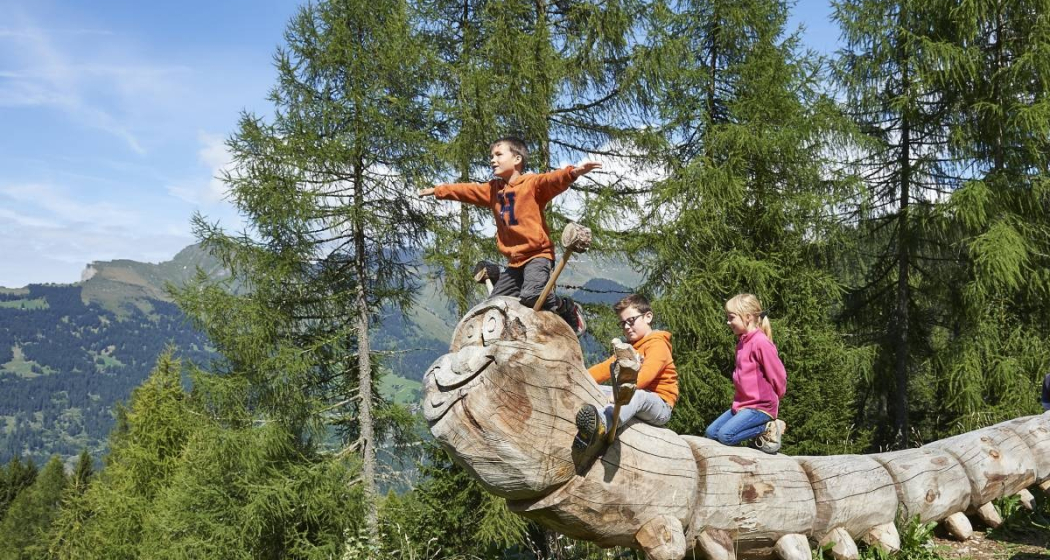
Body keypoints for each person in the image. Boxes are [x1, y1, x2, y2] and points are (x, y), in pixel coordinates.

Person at [418, 136, 600, 334]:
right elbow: (466, 190)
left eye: (498, 155)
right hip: (514, 263)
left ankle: (567, 307)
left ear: (517, 159)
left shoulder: (532, 184)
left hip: (537, 255)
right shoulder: (493, 190)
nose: (492, 160)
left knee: (532, 295)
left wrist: (573, 172)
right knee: (492, 308)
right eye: (491, 156)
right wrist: (438, 190)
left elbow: (552, 180)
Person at [573, 294, 677, 451]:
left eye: (631, 321)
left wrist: (621, 392)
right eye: (623, 324)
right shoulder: (630, 347)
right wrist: (579, 378)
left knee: (638, 395)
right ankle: (583, 421)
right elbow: (604, 368)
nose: (627, 327)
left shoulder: (658, 344)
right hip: (631, 393)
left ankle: (600, 424)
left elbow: (646, 375)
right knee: (595, 389)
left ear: (648, 317)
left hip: (660, 404)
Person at [705, 293, 787, 454]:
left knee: (726, 436)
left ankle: (768, 427)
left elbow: (779, 375)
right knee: (711, 433)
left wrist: (775, 399)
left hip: (760, 406)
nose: (728, 322)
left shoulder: (760, 342)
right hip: (742, 405)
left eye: (731, 317)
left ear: (748, 317)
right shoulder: (742, 343)